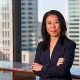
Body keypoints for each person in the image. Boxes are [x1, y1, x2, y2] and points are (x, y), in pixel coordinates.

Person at [32, 10, 76, 80]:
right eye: (49, 23)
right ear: (45, 26)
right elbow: (35, 70)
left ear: (61, 24)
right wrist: (55, 67)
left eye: (56, 22)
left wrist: (42, 68)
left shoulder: (69, 45)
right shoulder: (41, 45)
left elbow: (62, 71)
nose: (53, 26)